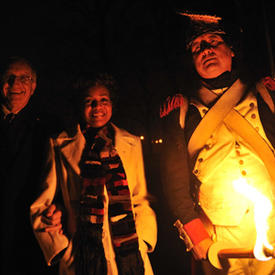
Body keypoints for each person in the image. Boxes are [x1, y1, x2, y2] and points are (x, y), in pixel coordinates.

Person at [160, 12, 275, 275]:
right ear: (192, 58)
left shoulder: (265, 95)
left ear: (232, 50)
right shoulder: (181, 110)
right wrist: (194, 232)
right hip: (218, 231)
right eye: (198, 46)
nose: (207, 50)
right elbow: (174, 180)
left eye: (214, 41)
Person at [30, 72, 157, 275]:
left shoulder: (130, 143)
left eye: (103, 100)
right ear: (80, 106)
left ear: (112, 104)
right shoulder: (58, 144)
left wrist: (142, 241)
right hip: (82, 257)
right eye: (89, 101)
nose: (97, 107)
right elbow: (40, 205)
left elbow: (140, 198)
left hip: (129, 254)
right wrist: (62, 248)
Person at [0, 56, 62, 275]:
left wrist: (59, 209)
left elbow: (63, 181)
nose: (15, 84)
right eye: (10, 77)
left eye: (24, 78)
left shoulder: (51, 128)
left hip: (31, 242)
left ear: (34, 86)